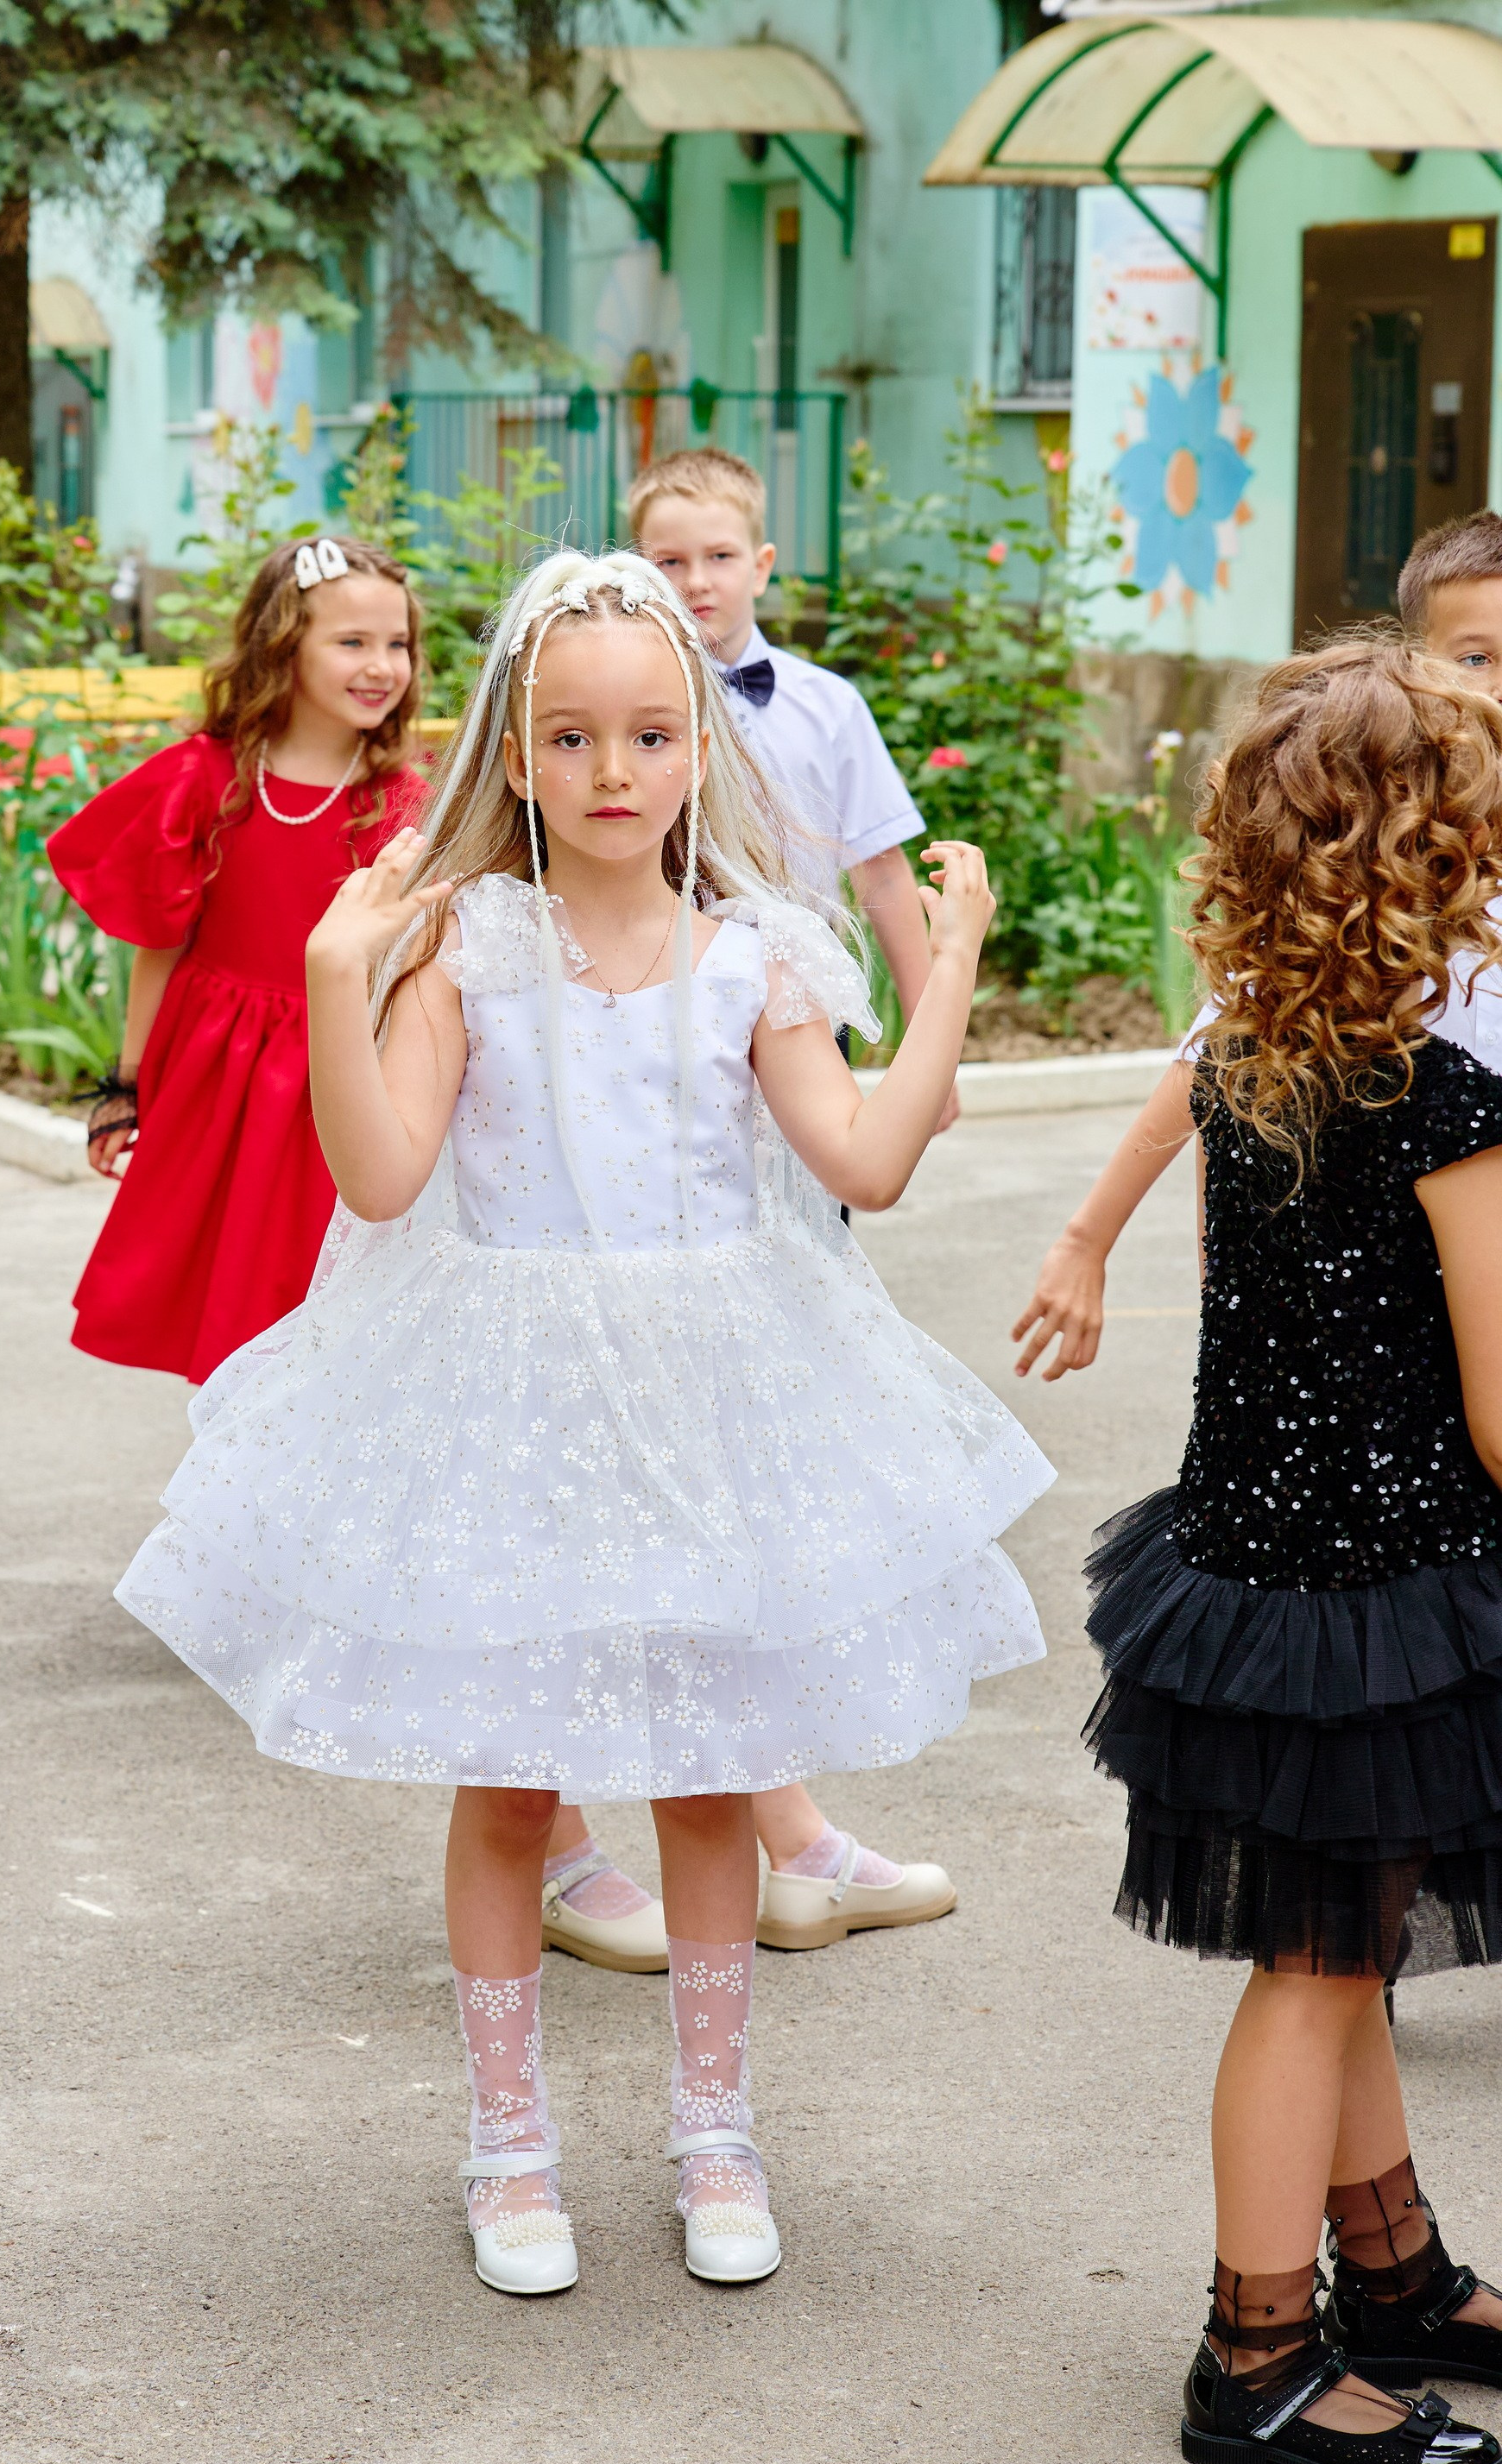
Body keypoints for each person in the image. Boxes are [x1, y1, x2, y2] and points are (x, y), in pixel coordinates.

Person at [114, 550, 1052, 2297]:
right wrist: (337, 977)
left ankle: (715, 2130)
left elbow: (865, 1162)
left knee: (707, 1777)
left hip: (708, 1405)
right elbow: (383, 1181)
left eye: (646, 735)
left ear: (700, 742)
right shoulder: (465, 950)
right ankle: (509, 2145)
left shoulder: (755, 957)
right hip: (513, 1410)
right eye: (568, 740)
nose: (611, 775)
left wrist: (951, 977)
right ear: (515, 755)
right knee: (513, 1778)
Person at [1082, 636, 1502, 2464]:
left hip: (1267, 1576)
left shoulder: (1256, 1050)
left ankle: (1389, 2273)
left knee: (1344, 1936)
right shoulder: (1447, 1100)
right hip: (1377, 1595)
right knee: (1321, 1967)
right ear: (1432, 857)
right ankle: (1255, 2354)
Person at [527, 444, 962, 1973]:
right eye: (670, 558)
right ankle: (607, 1836)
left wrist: (926, 1031)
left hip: (760, 1079)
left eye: (720, 556)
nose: (698, 580)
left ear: (763, 564)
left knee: (728, 1492)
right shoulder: (567, 757)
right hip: (615, 1117)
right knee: (601, 1518)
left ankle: (783, 1834)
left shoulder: (822, 713)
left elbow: (888, 883)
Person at [1015, 518, 1502, 1387]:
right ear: (1409, 669)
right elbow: (1219, 1052)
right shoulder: (1373, 867)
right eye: (1474, 658)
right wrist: (1087, 1236)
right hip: (1393, 1269)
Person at [49, 536, 429, 1384]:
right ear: (281, 645)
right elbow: (161, 944)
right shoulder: (205, 780)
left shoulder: (400, 802)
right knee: (227, 1310)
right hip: (220, 1080)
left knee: (330, 1317)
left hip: (339, 1080)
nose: (381, 666)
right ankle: (233, 1491)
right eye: (352, 642)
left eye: (396, 643)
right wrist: (126, 1085)